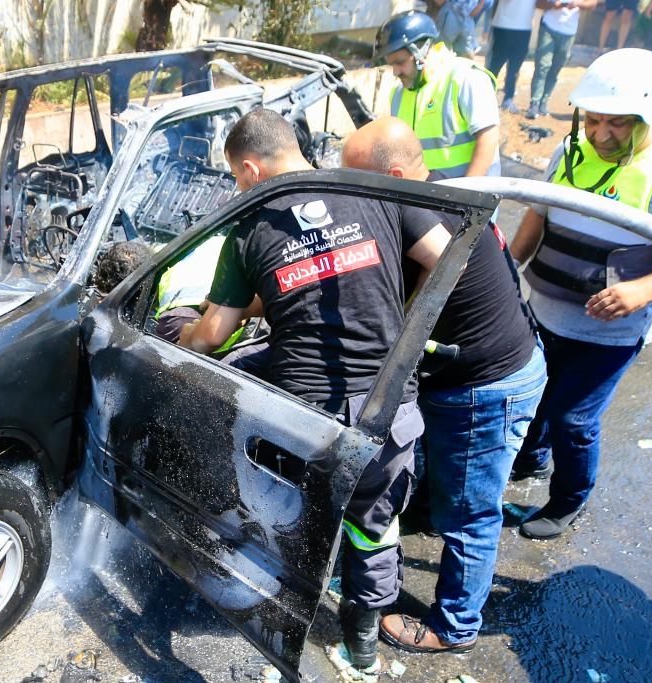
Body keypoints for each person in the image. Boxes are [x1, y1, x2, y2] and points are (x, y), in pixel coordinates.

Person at [178, 108, 450, 671]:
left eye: (235, 177)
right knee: (375, 520)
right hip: (387, 403)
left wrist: (176, 326)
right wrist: (400, 318)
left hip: (309, 418)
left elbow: (209, 337)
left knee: (292, 512)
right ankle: (362, 645)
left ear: (250, 170)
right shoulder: (374, 190)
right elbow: (447, 256)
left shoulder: (250, 230)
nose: (238, 187)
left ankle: (279, 622)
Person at [341, 117, 547, 654]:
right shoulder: (445, 194)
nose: (347, 191)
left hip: (486, 388)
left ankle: (455, 628)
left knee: (471, 514)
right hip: (497, 367)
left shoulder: (416, 215)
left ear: (390, 174)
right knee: (457, 492)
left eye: (352, 178)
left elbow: (439, 267)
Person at [509, 48, 652, 540]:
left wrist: (643, 291)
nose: (601, 135)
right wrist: (507, 271)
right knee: (536, 398)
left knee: (574, 417)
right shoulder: (569, 150)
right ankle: (530, 461)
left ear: (650, 116)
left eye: (618, 124)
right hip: (545, 310)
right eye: (593, 120)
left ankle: (569, 500)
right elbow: (537, 216)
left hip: (611, 331)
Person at [373, 10, 502, 178]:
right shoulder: (398, 94)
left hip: (471, 198)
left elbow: (488, 138)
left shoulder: (467, 78)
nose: (395, 72)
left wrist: (467, 198)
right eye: (391, 65)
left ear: (422, 51)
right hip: (429, 199)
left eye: (400, 62)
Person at [526, 0, 597, 120]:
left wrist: (577, 4)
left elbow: (592, 4)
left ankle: (544, 101)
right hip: (549, 26)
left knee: (556, 68)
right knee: (543, 65)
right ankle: (534, 102)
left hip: (569, 32)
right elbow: (538, 4)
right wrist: (552, 4)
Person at [486, 0, 538, 113]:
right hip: (503, 25)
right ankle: (485, 97)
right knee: (494, 66)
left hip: (524, 28)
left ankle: (508, 99)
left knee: (514, 68)